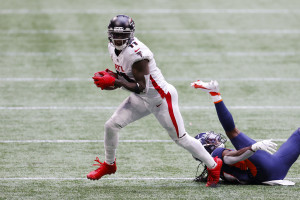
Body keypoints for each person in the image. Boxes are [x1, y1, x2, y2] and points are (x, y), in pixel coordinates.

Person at [86, 14, 222, 187]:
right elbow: (128, 77)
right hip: (141, 98)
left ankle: (213, 165)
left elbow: (141, 86)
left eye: (122, 35)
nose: (118, 39)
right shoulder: (112, 47)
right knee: (111, 125)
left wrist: (116, 82)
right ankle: (109, 165)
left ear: (130, 34)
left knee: (181, 138)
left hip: (161, 99)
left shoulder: (138, 54)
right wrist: (115, 78)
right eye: (115, 34)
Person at [190, 80, 300, 185]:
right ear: (206, 148)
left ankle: (214, 93)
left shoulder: (216, 168)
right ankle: (214, 93)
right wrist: (253, 147)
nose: (215, 138)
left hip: (277, 170)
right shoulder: (216, 154)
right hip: (265, 169)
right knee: (232, 132)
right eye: (209, 139)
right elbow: (232, 158)